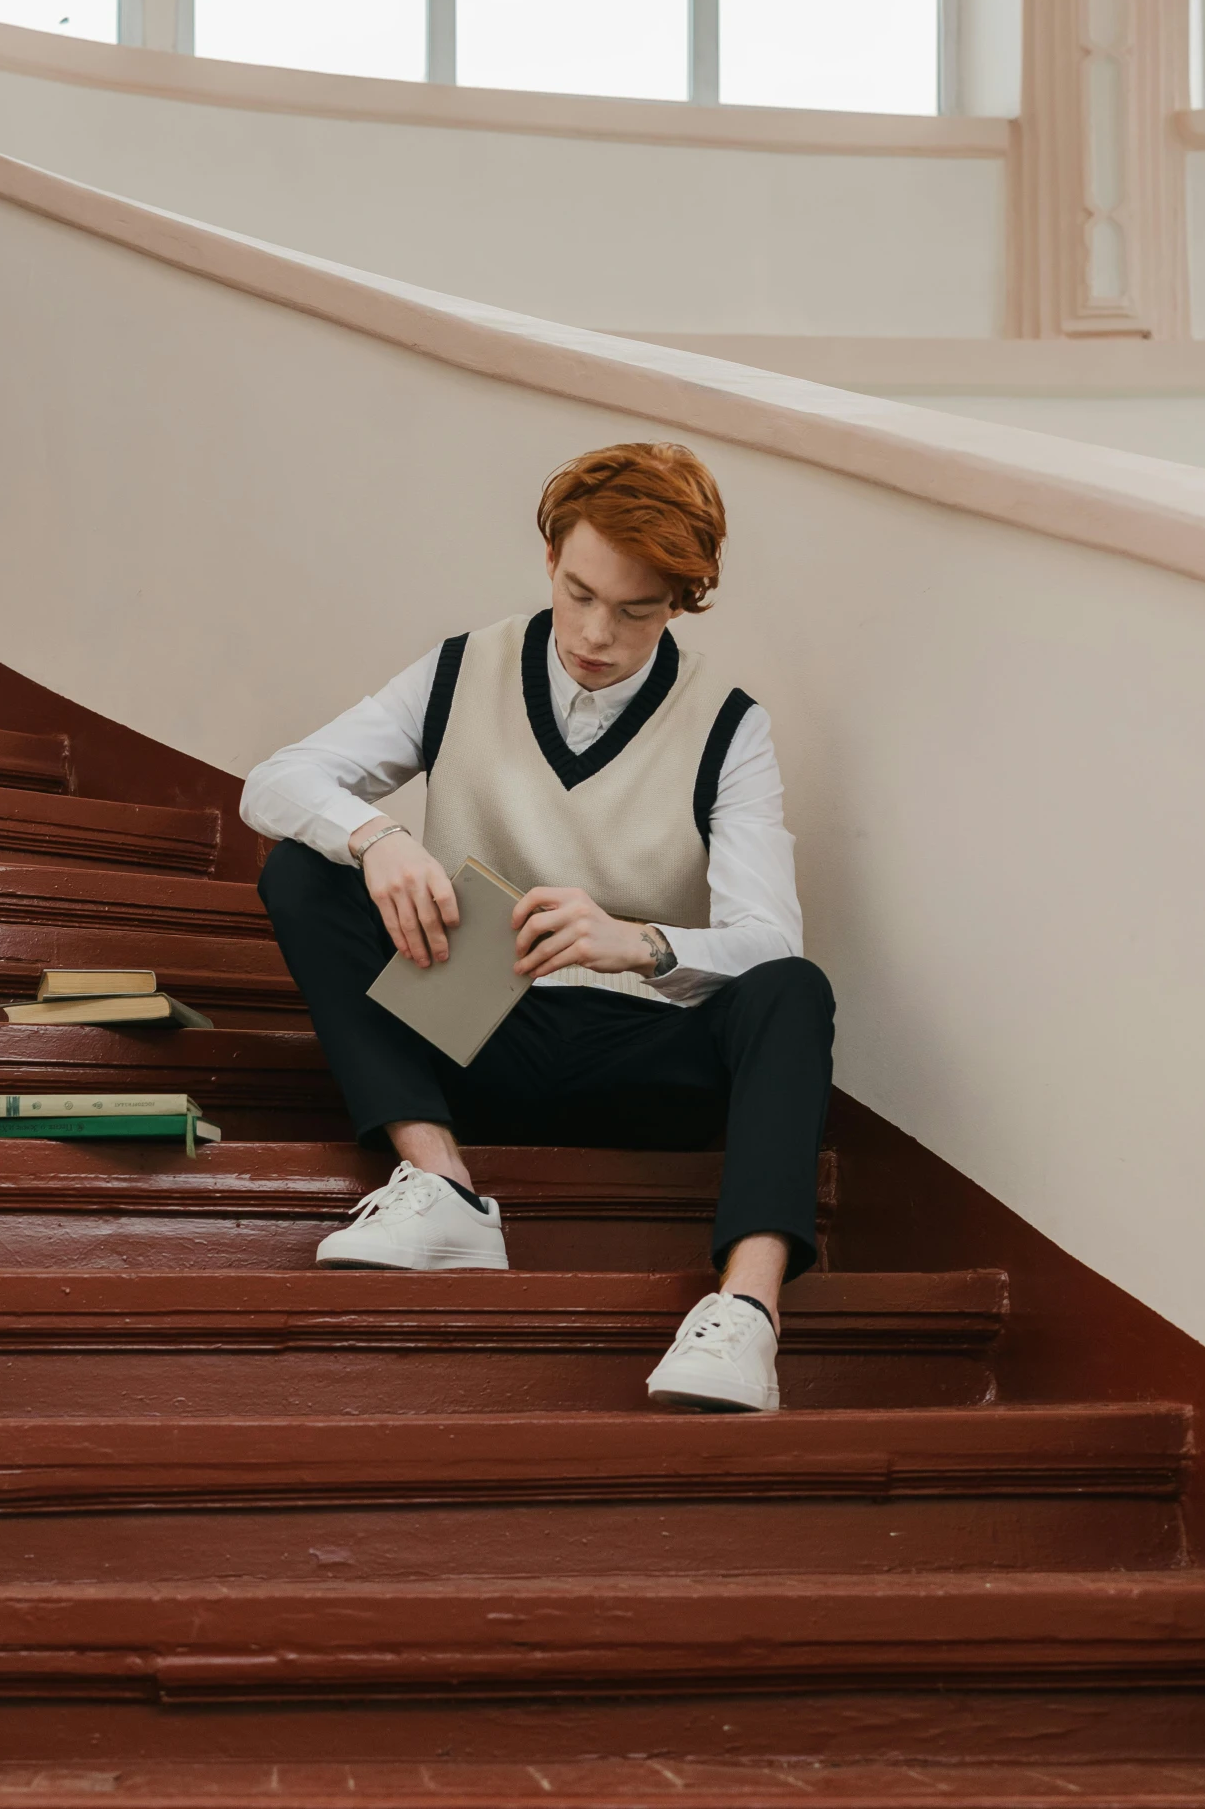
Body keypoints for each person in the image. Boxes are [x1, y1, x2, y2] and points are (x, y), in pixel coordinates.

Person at [242, 441, 835, 1413]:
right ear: (551, 559)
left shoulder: (729, 728)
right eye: (579, 592)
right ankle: (439, 1186)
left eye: (636, 609)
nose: (598, 630)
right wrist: (379, 835)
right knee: (304, 866)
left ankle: (743, 1315)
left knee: (791, 988)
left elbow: (768, 939)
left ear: (682, 601)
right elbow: (275, 780)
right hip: (475, 1020)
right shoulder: (459, 668)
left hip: (640, 1053)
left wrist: (639, 943)